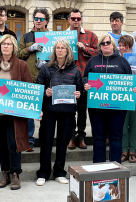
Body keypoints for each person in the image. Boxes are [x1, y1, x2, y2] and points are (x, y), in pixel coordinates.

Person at [0, 34, 32, 190]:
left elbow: (29, 89)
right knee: (1, 144)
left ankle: (15, 174)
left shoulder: (22, 65)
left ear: (14, 47)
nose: (6, 46)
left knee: (13, 143)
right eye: (3, 44)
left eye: (9, 44)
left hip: (15, 114)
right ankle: (5, 172)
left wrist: (35, 110)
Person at [83, 33, 136, 163]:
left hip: (117, 107)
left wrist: (133, 89)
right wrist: (85, 84)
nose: (105, 45)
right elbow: (85, 77)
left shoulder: (122, 61)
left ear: (113, 45)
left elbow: (130, 81)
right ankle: (98, 167)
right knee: (98, 138)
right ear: (99, 46)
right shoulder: (93, 60)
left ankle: (115, 168)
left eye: (108, 43)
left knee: (116, 137)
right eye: (103, 43)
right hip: (97, 106)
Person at [35, 39, 82, 186]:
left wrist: (79, 94)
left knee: (63, 143)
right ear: (54, 51)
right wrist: (45, 93)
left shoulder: (74, 69)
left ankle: (59, 172)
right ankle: (43, 172)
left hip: (67, 112)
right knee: (46, 141)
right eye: (57, 48)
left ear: (67, 51)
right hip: (49, 111)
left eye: (62, 48)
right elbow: (38, 88)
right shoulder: (46, 68)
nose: (60, 50)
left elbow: (79, 90)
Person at [18, 8, 50, 151]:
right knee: (30, 112)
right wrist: (30, 49)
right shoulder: (26, 37)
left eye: (41, 19)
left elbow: (58, 55)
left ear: (46, 21)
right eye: (36, 18)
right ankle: (29, 141)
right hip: (29, 77)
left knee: (46, 111)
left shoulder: (52, 36)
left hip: (47, 78)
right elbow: (18, 55)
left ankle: (45, 139)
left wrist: (47, 63)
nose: (38, 21)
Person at [66, 8, 98, 150]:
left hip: (85, 78)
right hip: (68, 78)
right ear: (69, 20)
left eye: (78, 18)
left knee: (82, 110)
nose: (76, 21)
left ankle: (81, 137)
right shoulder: (63, 35)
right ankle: (71, 137)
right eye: (73, 18)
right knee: (70, 109)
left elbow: (97, 53)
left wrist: (84, 48)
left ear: (81, 20)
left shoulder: (90, 35)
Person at [118, 35, 136, 163]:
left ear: (130, 47)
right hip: (121, 99)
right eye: (121, 45)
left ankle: (132, 150)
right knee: (122, 125)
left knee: (135, 126)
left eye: (125, 46)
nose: (122, 48)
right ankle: (124, 151)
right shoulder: (116, 60)